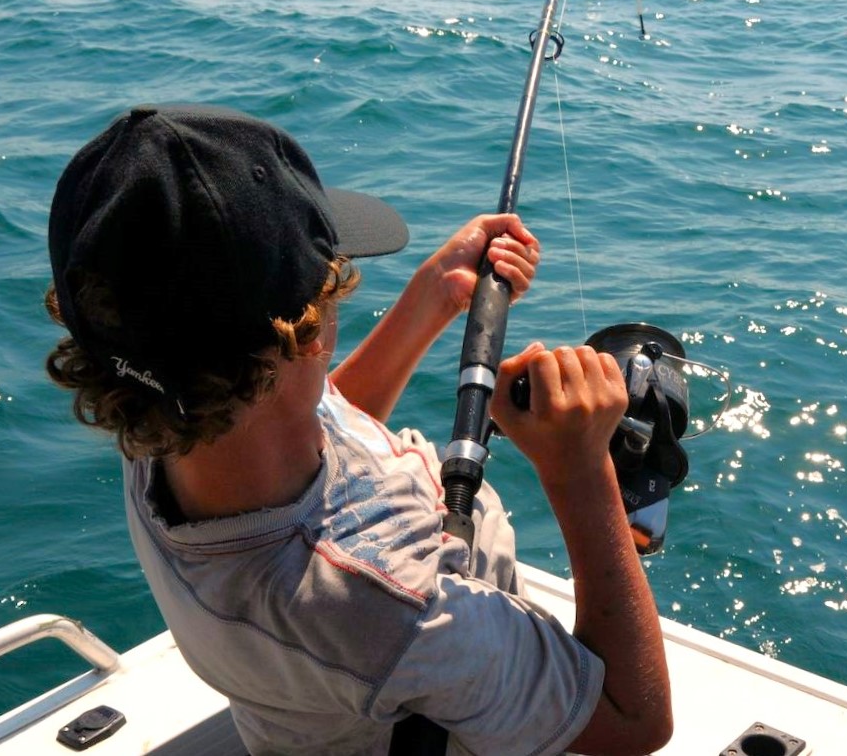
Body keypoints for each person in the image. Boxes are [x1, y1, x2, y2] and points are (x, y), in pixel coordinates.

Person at [44, 103, 671, 756]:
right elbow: (633, 720)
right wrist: (579, 470)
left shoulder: (159, 418)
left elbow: (311, 419)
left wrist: (432, 297)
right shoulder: (391, 609)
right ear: (301, 338)